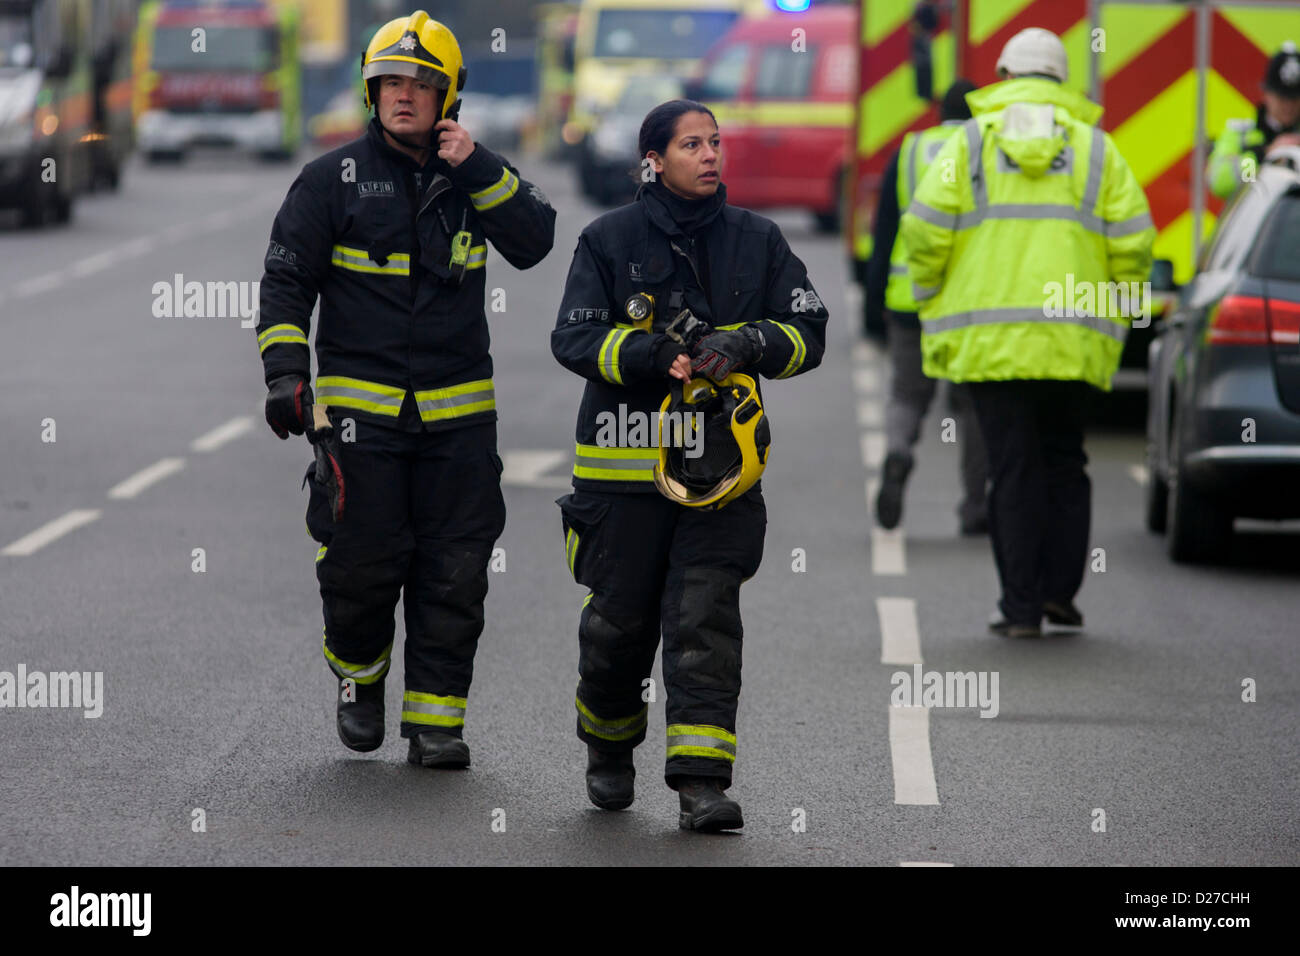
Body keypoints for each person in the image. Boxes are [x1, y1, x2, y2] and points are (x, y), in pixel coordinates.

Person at [256, 11, 555, 767]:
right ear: (368, 90)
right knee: (361, 565)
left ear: (448, 95)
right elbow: (287, 281)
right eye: (389, 82)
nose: (403, 96)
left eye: (420, 84)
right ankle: (359, 679)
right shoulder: (331, 180)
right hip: (361, 421)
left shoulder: (475, 180)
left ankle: (436, 724)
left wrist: (478, 166)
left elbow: (536, 240)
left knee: (455, 572)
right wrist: (287, 376)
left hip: (459, 424)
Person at [551, 100, 828, 831]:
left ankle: (702, 784)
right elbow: (573, 340)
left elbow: (810, 331)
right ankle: (608, 749)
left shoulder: (758, 241)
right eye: (691, 144)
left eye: (715, 142)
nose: (710, 155)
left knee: (705, 624)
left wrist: (750, 343)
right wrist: (645, 355)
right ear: (653, 159)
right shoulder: (608, 240)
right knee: (617, 629)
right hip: (621, 477)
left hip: (721, 477)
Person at [901, 27, 1154, 638]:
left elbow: (925, 230)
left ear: (1006, 78)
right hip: (1072, 339)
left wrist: (932, 295)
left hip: (991, 346)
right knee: (1066, 460)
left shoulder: (966, 145)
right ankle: (1060, 595)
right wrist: (1116, 309)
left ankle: (1019, 611)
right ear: (1061, 82)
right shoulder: (1097, 150)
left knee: (1011, 470)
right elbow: (1134, 241)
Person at [868, 79, 988, 535]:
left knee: (906, 395)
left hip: (908, 295)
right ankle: (976, 507)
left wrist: (873, 300)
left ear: (938, 112)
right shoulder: (987, 153)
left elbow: (884, 231)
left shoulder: (911, 150)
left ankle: (898, 452)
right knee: (972, 405)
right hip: (968, 301)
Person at [1207, 41, 1300, 199]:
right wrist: (1264, 154)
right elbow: (1219, 183)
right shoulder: (1240, 135)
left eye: (1294, 99)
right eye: (1282, 97)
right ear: (1266, 94)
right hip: (1255, 222)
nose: (1288, 106)